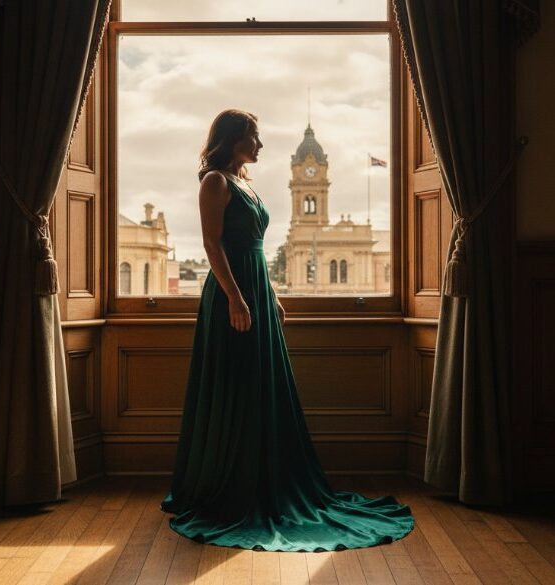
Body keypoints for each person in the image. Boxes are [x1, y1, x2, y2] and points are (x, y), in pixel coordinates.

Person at [160, 108, 415, 552]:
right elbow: (211, 243)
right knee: (236, 388)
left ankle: (266, 481)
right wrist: (236, 298)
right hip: (232, 294)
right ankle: (228, 486)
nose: (259, 145)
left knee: (262, 389)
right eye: (253, 137)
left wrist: (269, 293)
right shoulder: (215, 181)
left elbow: (254, 248)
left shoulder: (246, 183)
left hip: (255, 288)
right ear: (232, 139)